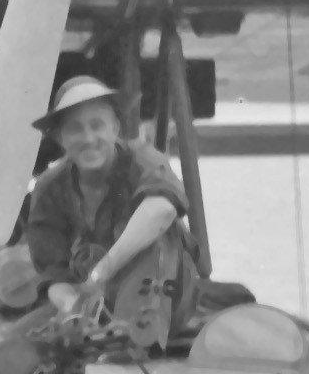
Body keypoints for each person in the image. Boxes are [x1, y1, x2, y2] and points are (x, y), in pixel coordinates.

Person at [21, 77, 201, 349]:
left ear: (115, 128)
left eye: (97, 126)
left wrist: (102, 271)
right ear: (60, 138)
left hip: (165, 295)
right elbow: (53, 276)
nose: (88, 139)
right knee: (17, 345)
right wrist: (73, 307)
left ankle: (142, 336)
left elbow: (162, 210)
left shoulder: (143, 159)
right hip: (99, 307)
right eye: (75, 129)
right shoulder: (48, 188)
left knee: (159, 238)